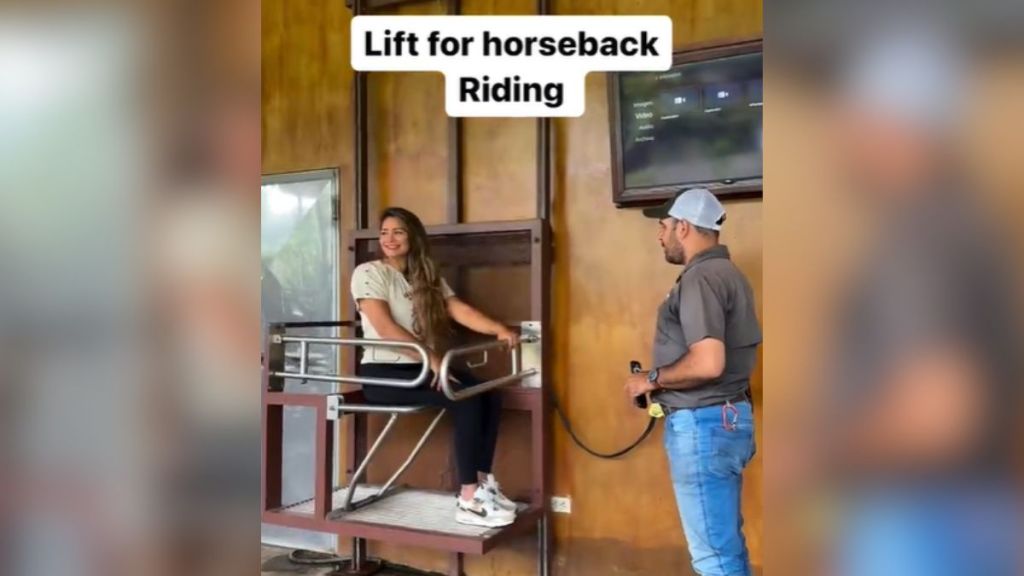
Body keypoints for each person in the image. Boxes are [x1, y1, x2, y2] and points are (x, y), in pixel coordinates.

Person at [351, 206, 521, 528]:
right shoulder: (369, 272)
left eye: (398, 231)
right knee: (466, 399)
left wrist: (499, 329)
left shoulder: (425, 277)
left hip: (423, 369)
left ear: (413, 237)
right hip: (386, 373)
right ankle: (469, 497)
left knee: (490, 395)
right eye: (384, 232)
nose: (389, 238)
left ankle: (483, 483)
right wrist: (434, 361)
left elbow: (458, 310)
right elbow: (386, 329)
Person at [624, 188, 762, 576]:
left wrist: (650, 380)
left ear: (683, 227)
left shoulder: (702, 278)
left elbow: (708, 361)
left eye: (663, 225)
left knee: (714, 558)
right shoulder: (730, 275)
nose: (660, 234)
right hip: (728, 419)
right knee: (723, 548)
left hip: (702, 426)